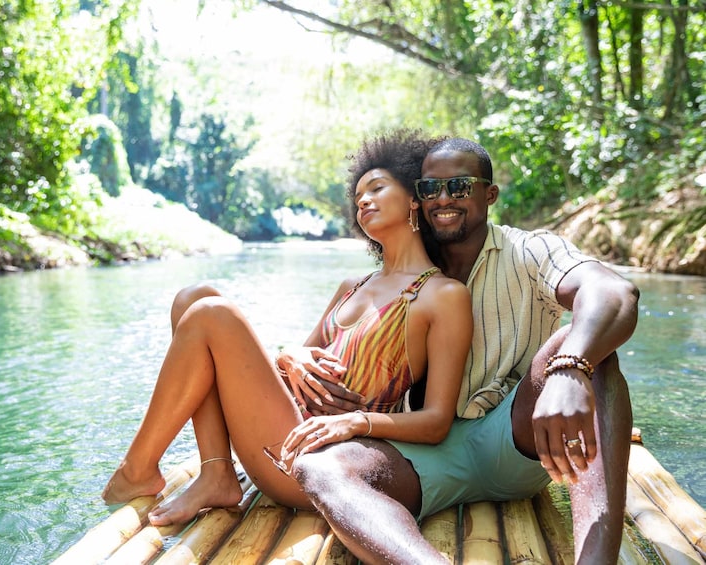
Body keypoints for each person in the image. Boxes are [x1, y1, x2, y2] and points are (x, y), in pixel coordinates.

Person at [99, 129, 473, 531]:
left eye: (377, 188)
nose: (363, 200)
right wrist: (288, 354)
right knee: (193, 297)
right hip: (284, 420)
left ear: (415, 200)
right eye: (359, 195)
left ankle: (136, 470)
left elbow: (436, 422)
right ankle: (217, 472)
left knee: (211, 312)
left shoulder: (442, 295)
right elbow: (295, 361)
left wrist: (354, 422)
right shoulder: (353, 286)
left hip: (316, 459)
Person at [290, 137, 640, 564]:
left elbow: (613, 292)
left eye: (458, 187)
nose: (442, 200)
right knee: (319, 468)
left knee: (589, 349)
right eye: (429, 189)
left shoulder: (529, 250)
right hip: (422, 448)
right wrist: (294, 356)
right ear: (415, 201)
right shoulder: (404, 271)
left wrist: (570, 368)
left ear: (488, 194)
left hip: (514, 438)